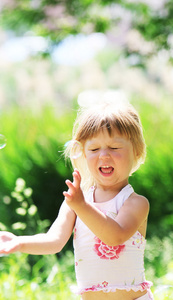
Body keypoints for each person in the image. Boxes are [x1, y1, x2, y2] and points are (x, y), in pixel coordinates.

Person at [0, 98, 154, 300]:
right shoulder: (77, 201)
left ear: (137, 152)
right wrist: (19, 243)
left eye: (115, 148)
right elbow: (53, 241)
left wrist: (81, 206)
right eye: (94, 149)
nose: (104, 155)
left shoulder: (135, 202)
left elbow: (115, 237)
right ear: (82, 154)